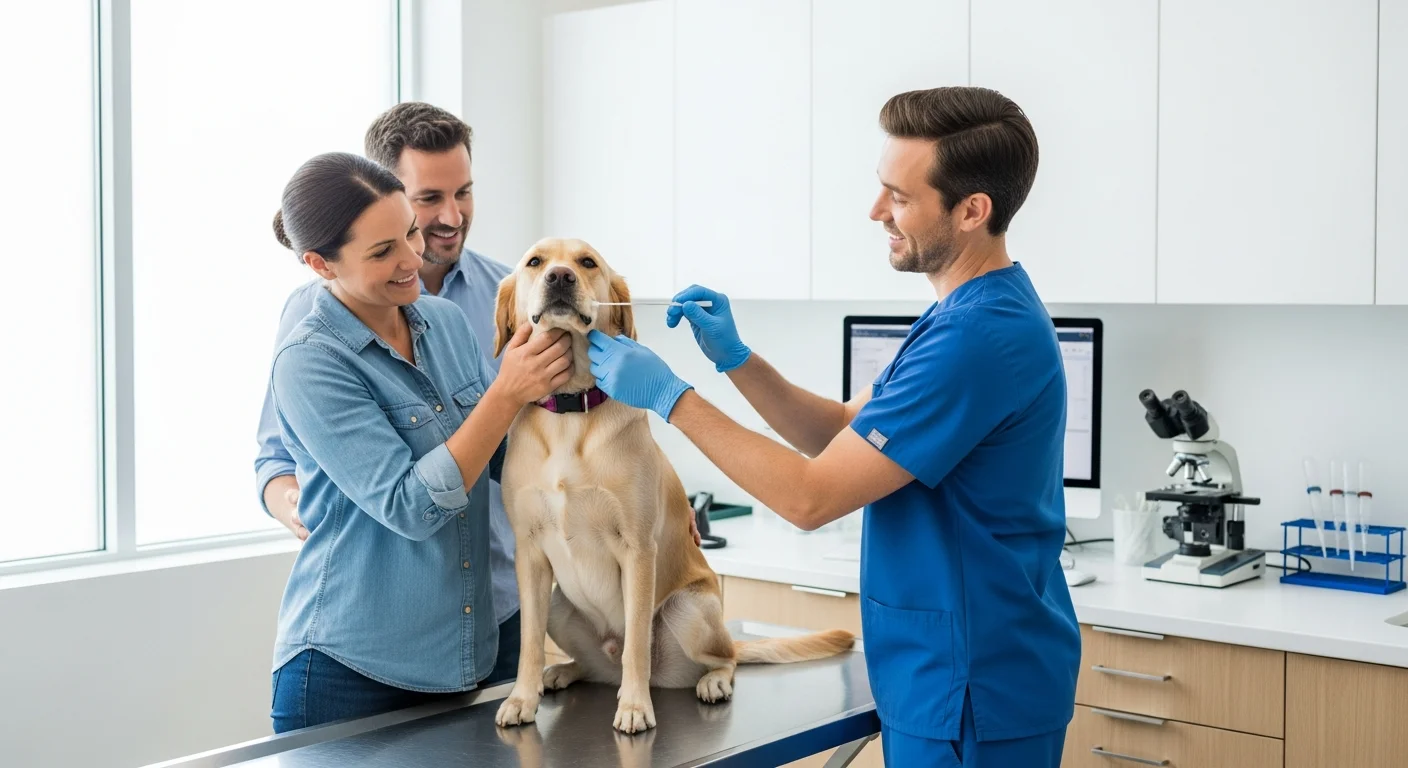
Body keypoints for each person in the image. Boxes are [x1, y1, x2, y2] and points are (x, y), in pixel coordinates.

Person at [586, 86, 1079, 766]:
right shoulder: (963, 312)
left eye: (899, 197)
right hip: (952, 672)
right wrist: (737, 359)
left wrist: (671, 397)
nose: (877, 211)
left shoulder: (976, 339)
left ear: (972, 211)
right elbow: (843, 431)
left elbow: (809, 497)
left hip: (970, 685)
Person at [263, 151, 575, 733]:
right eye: (383, 252)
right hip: (353, 674)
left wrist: (641, 495)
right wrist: (506, 394)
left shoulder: (447, 323)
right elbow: (412, 506)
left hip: (476, 652)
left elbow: (509, 459)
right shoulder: (310, 361)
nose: (414, 258)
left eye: (409, 233)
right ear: (320, 264)